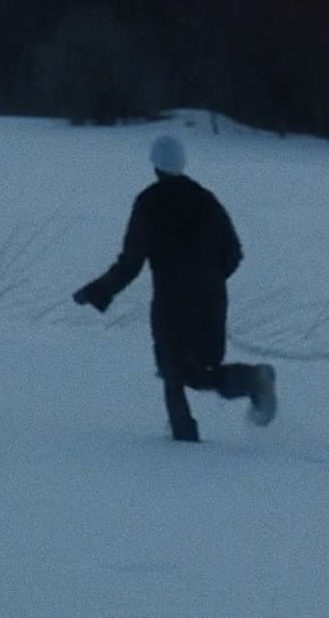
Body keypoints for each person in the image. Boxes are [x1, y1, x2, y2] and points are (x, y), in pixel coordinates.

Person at [72, 133, 278, 442]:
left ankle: (184, 442)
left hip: (172, 302)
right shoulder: (207, 199)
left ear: (154, 165)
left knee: (174, 371)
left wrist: (96, 291)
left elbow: (131, 263)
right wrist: (210, 280)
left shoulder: (149, 203)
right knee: (200, 370)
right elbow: (233, 252)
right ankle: (252, 379)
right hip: (211, 300)